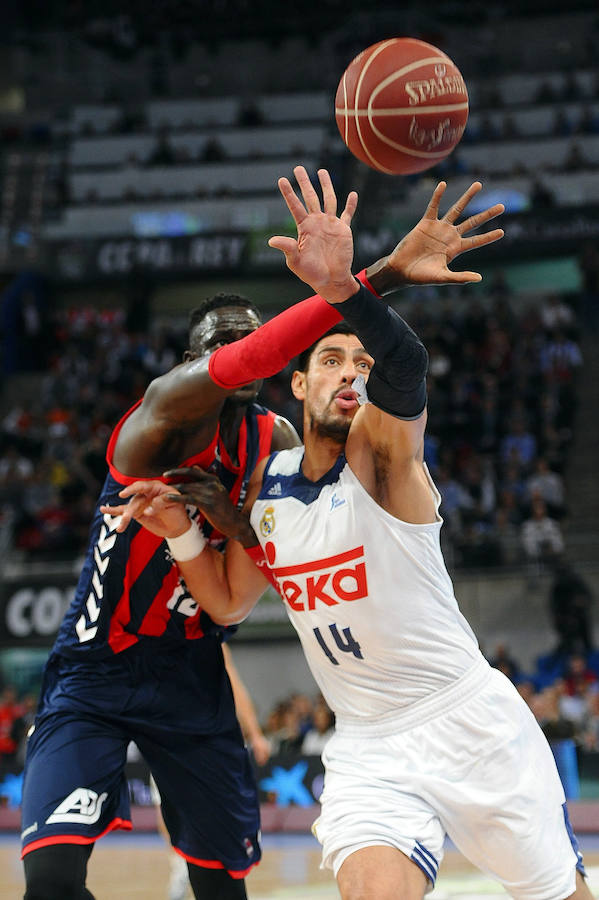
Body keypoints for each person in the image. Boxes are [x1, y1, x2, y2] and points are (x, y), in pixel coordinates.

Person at [105, 171, 589, 899]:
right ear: (294, 385)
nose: (350, 375)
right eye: (330, 359)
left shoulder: (382, 461)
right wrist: (184, 533)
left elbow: (406, 363)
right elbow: (229, 602)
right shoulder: (266, 489)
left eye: (359, 364)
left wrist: (347, 289)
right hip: (367, 743)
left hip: (466, 724)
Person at [19, 165, 494, 900]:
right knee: (49, 877)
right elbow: (259, 355)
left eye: (251, 339)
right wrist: (382, 274)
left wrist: (222, 519)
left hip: (194, 671)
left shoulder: (271, 443)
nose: (245, 354)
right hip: (96, 668)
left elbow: (236, 603)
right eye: (226, 346)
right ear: (191, 364)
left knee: (221, 886)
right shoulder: (157, 420)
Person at [154, 644, 271, 900]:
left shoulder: (211, 638)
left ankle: (227, 857)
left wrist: (255, 733)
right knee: (164, 808)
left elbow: (235, 685)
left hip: (208, 742)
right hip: (164, 738)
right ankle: (179, 861)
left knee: (216, 822)